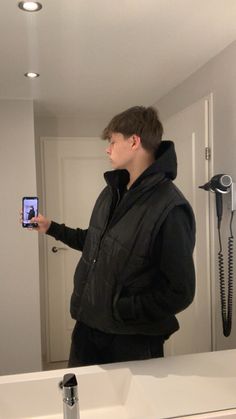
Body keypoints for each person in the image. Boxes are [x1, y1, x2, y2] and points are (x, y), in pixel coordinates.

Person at [32, 106, 196, 367]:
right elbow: (95, 243)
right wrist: (52, 227)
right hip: (88, 327)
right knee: (78, 403)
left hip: (131, 340)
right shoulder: (112, 192)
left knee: (133, 409)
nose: (107, 149)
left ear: (134, 141)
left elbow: (180, 292)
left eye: (112, 141)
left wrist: (122, 309)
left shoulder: (170, 207)